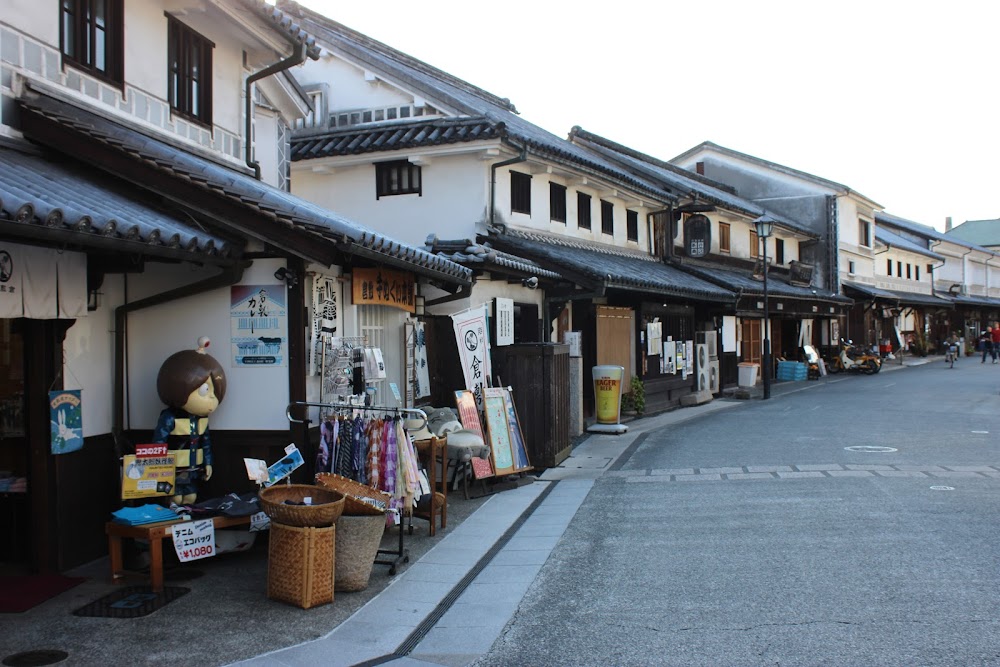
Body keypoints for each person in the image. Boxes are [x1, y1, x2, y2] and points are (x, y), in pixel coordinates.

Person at [152, 337, 227, 505]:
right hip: (174, 468)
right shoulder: (169, 417)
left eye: (214, 392)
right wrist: (158, 468)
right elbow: (159, 442)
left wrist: (208, 463)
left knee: (191, 498)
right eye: (205, 390)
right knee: (175, 497)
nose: (210, 399)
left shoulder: (202, 419)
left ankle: (187, 522)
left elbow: (206, 443)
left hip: (194, 467)